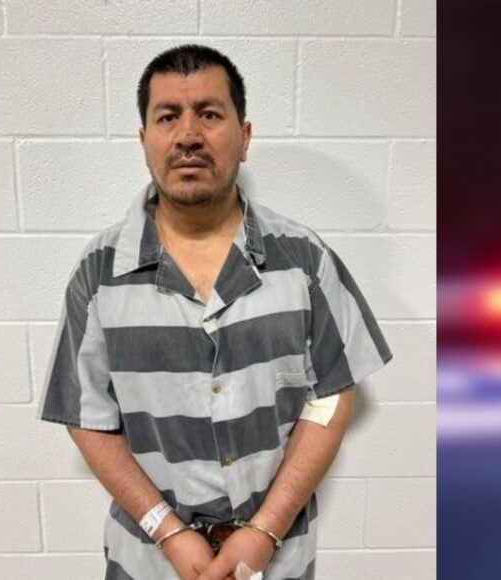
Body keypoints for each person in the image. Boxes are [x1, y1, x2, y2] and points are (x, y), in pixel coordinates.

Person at [37, 44, 392, 580]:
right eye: (168, 117)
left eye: (208, 114)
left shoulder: (303, 259)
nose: (188, 135)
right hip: (147, 562)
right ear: (144, 140)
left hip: (274, 561)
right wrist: (168, 531)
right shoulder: (100, 272)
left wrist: (264, 531)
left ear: (244, 137)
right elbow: (88, 419)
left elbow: (331, 396)